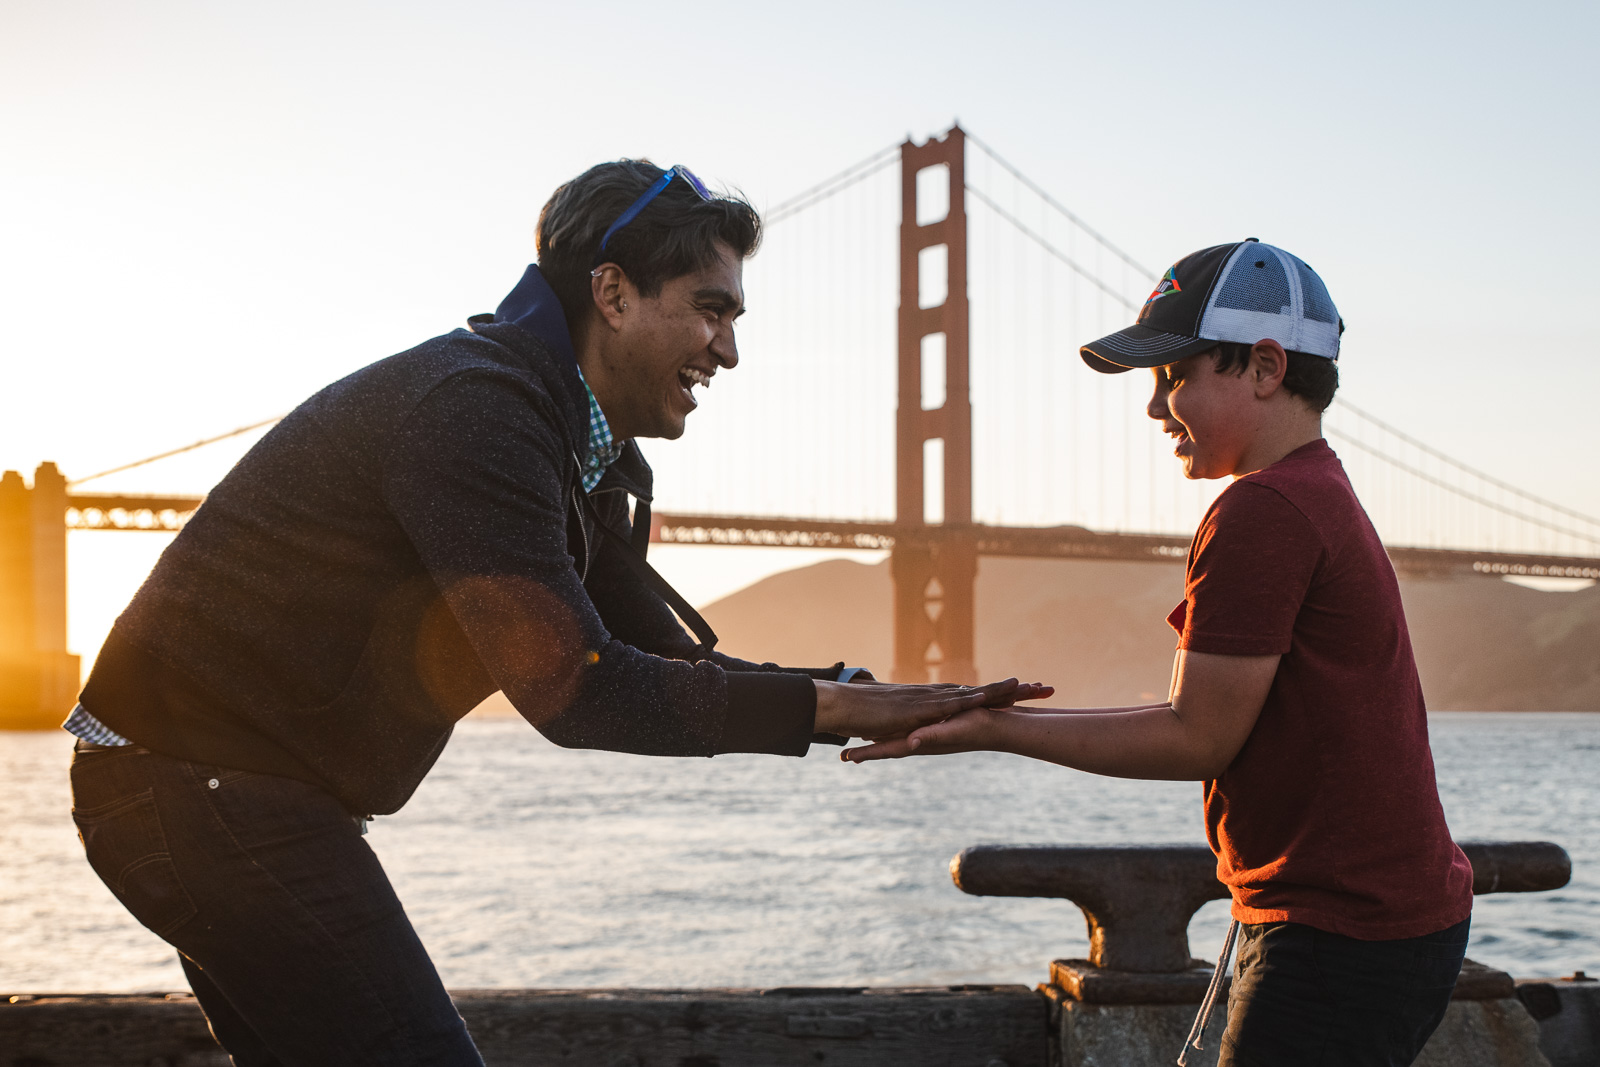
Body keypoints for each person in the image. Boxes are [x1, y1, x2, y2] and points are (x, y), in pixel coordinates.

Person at [65, 159, 1043, 1066]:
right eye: (711, 309)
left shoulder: (578, 449)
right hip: (196, 788)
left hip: (216, 791)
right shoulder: (477, 412)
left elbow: (662, 659)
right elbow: (577, 692)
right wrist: (829, 712)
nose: (731, 349)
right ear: (612, 294)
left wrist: (867, 696)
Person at [847, 240, 1474, 1067]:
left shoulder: (1262, 512)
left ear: (1263, 366)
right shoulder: (1317, 488)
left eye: (1173, 376)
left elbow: (1197, 736)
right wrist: (996, 714)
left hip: (1337, 931)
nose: (1154, 407)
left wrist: (996, 729)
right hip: (1364, 916)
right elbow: (1205, 721)